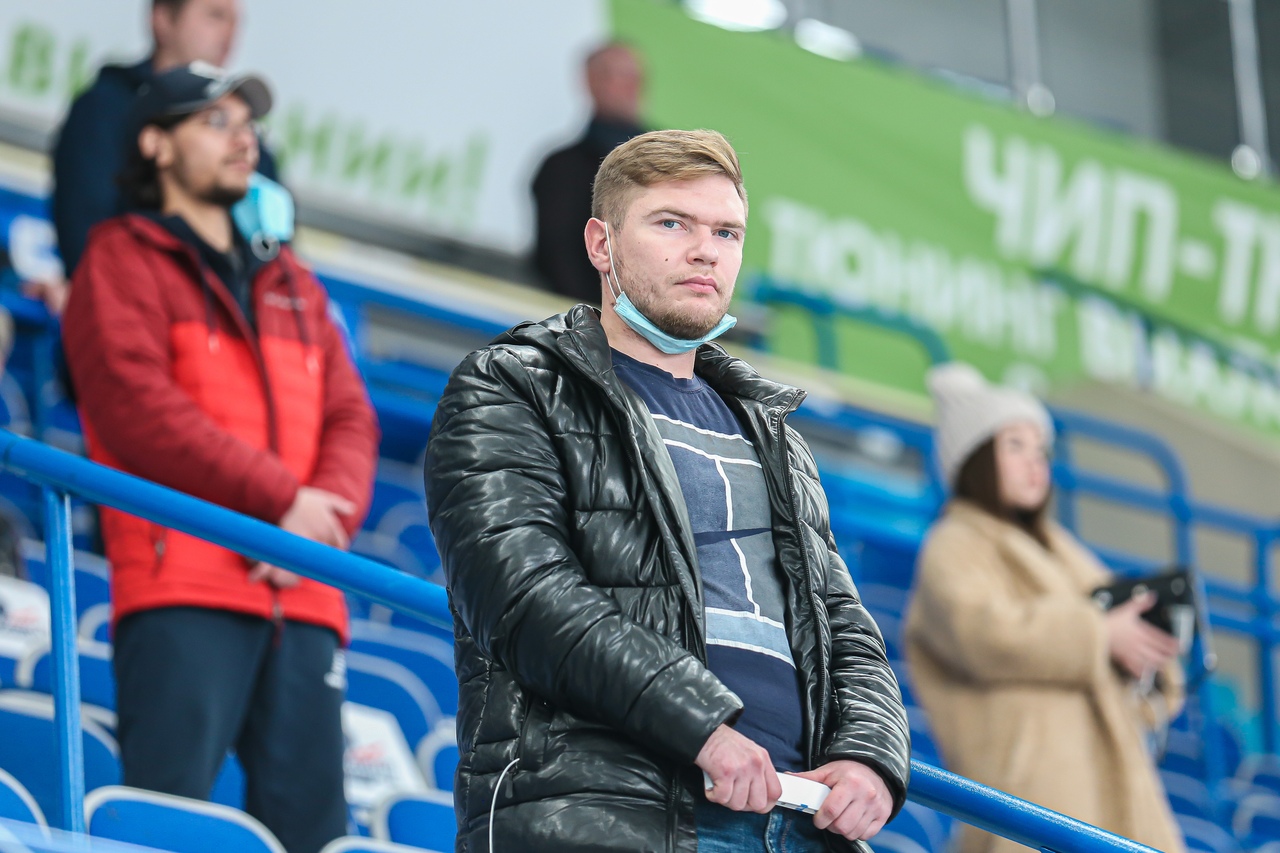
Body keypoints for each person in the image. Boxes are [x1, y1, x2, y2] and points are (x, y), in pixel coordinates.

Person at [426, 128, 910, 853]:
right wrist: (702, 726)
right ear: (601, 244)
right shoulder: (511, 386)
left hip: (795, 820)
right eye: (672, 223)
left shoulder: (777, 436)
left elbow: (844, 625)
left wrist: (870, 756)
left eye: (726, 232)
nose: (705, 250)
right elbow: (523, 595)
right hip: (604, 814)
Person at [61, 64, 378, 853]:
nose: (244, 139)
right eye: (215, 121)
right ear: (155, 144)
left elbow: (352, 417)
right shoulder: (119, 257)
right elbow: (136, 410)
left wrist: (315, 524)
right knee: (162, 832)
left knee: (314, 840)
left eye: (248, 123)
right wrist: (281, 504)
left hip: (304, 589)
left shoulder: (295, 281)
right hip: (184, 583)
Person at [906, 363, 1185, 853]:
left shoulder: (1061, 547)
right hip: (1029, 793)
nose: (1035, 463)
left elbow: (1117, 641)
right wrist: (1101, 635)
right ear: (975, 457)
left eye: (1041, 450)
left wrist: (1147, 650)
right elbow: (984, 635)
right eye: (1015, 446)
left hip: (1111, 795)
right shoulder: (953, 543)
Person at [51, 0, 279, 282]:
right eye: (215, 16)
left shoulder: (251, 147)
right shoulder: (105, 109)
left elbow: (275, 267)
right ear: (162, 19)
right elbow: (85, 241)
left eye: (236, 22)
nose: (229, 32)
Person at [530, 42, 646, 303]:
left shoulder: (667, 161)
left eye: (637, 77)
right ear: (591, 82)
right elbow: (557, 258)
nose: (632, 87)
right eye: (620, 76)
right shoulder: (563, 169)